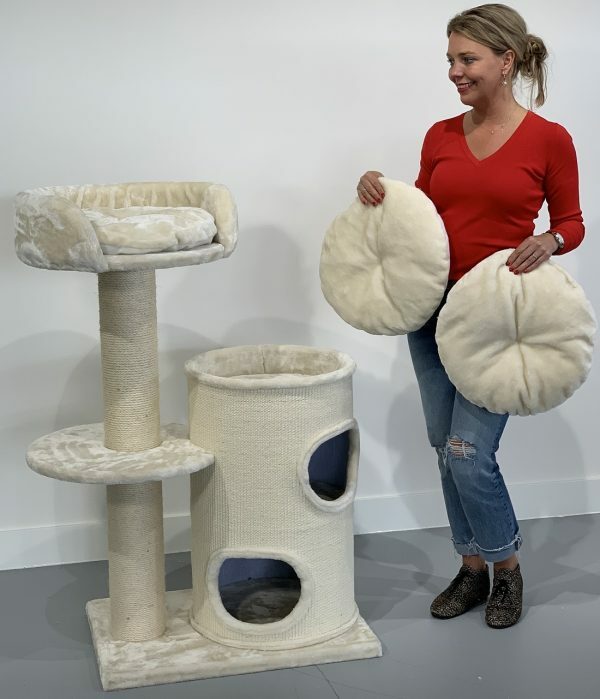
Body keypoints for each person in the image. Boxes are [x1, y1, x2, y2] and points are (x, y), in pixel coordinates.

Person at [357, 3, 584, 629]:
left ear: (506, 61)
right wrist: (379, 190)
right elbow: (419, 215)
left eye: (468, 59)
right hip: (430, 311)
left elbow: (572, 222)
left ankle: (506, 567)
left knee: (467, 450)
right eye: (451, 60)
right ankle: (471, 566)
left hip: (496, 317)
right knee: (442, 446)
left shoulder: (549, 139)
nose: (455, 72)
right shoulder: (440, 135)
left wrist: (550, 241)